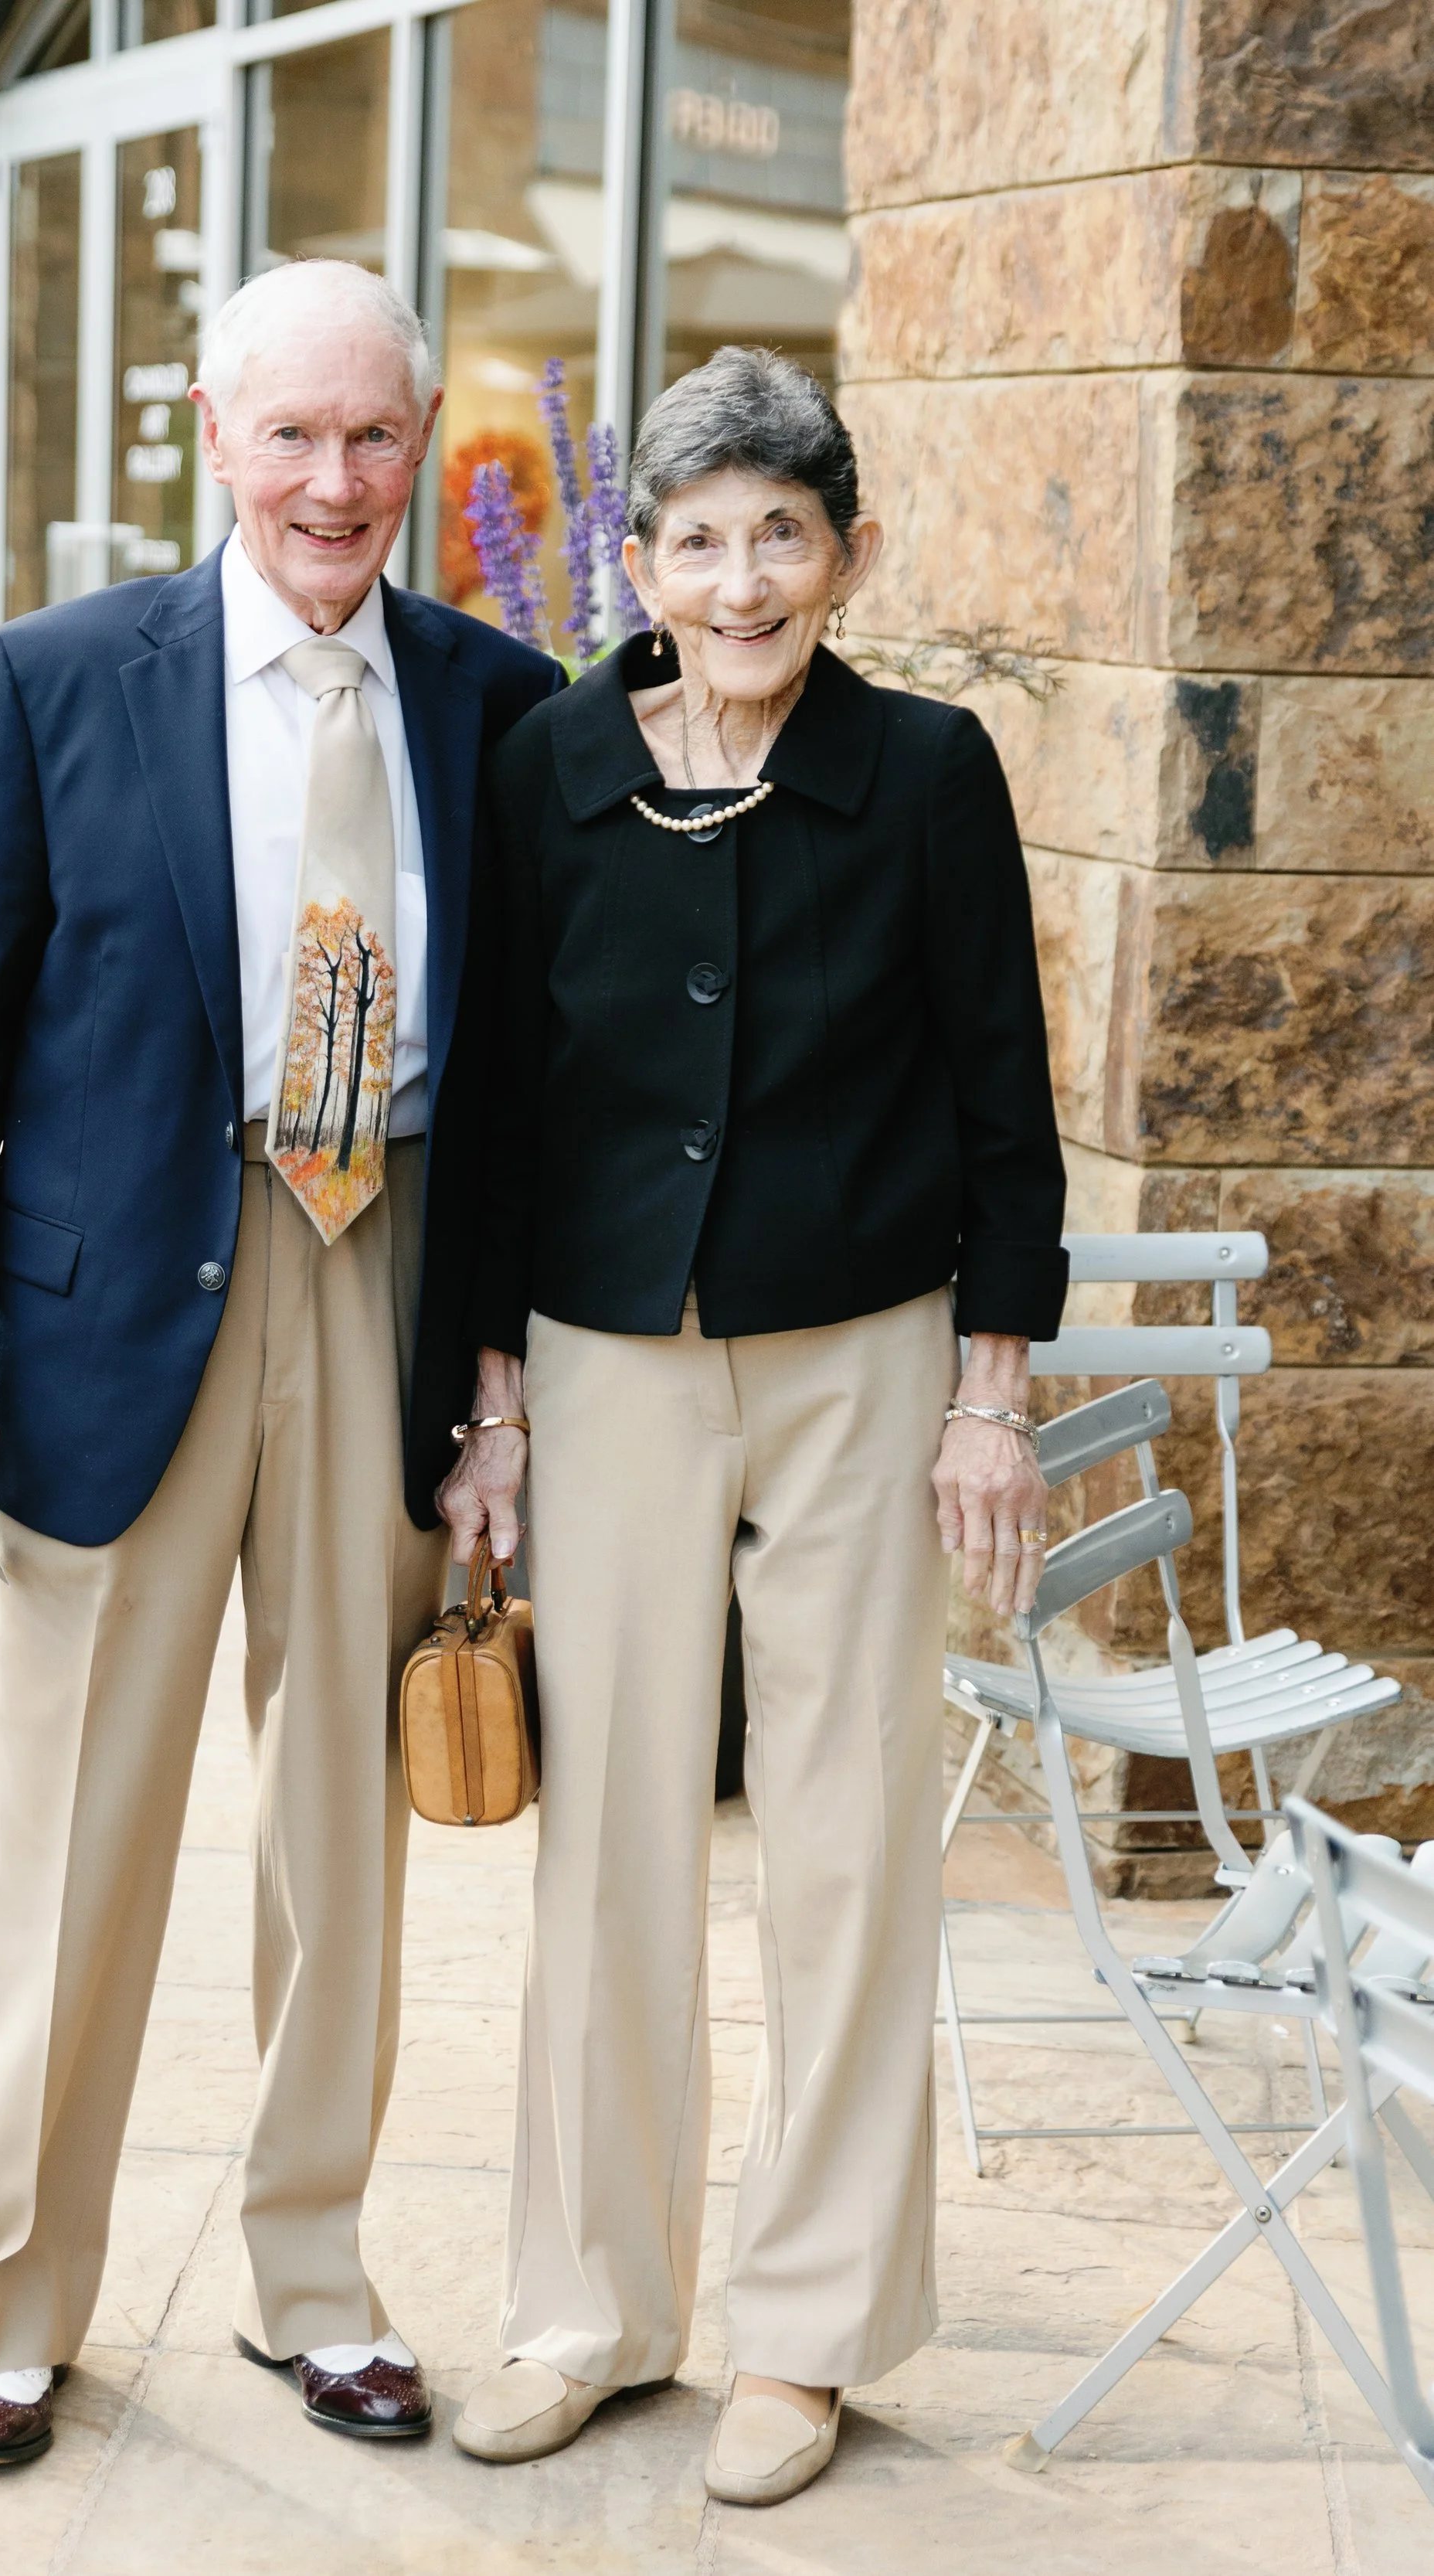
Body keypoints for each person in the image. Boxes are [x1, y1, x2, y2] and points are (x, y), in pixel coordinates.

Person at [0, 260, 561, 2468]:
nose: (336, 482)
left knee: (334, 1839)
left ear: (420, 444)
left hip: (384, 1284)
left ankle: (312, 2271)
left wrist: (498, 1386)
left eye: (376, 437)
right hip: (113, 1308)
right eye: (293, 435)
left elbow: (530, 1078)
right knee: (81, 1837)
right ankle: (8, 2300)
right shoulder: (59, 679)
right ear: (208, 431)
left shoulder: (499, 697)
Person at [437, 345, 1067, 2507]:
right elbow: (501, 1109)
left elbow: (1007, 1104)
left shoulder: (924, 773)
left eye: (779, 533)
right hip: (603, 1344)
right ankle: (591, 2305)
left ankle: (803, 2335)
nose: (738, 579)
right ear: (636, 557)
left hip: (864, 1346)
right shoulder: (543, 770)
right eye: (696, 537)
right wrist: (492, 1401)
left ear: (844, 552)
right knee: (605, 1833)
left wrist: (993, 1393)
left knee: (839, 1826)